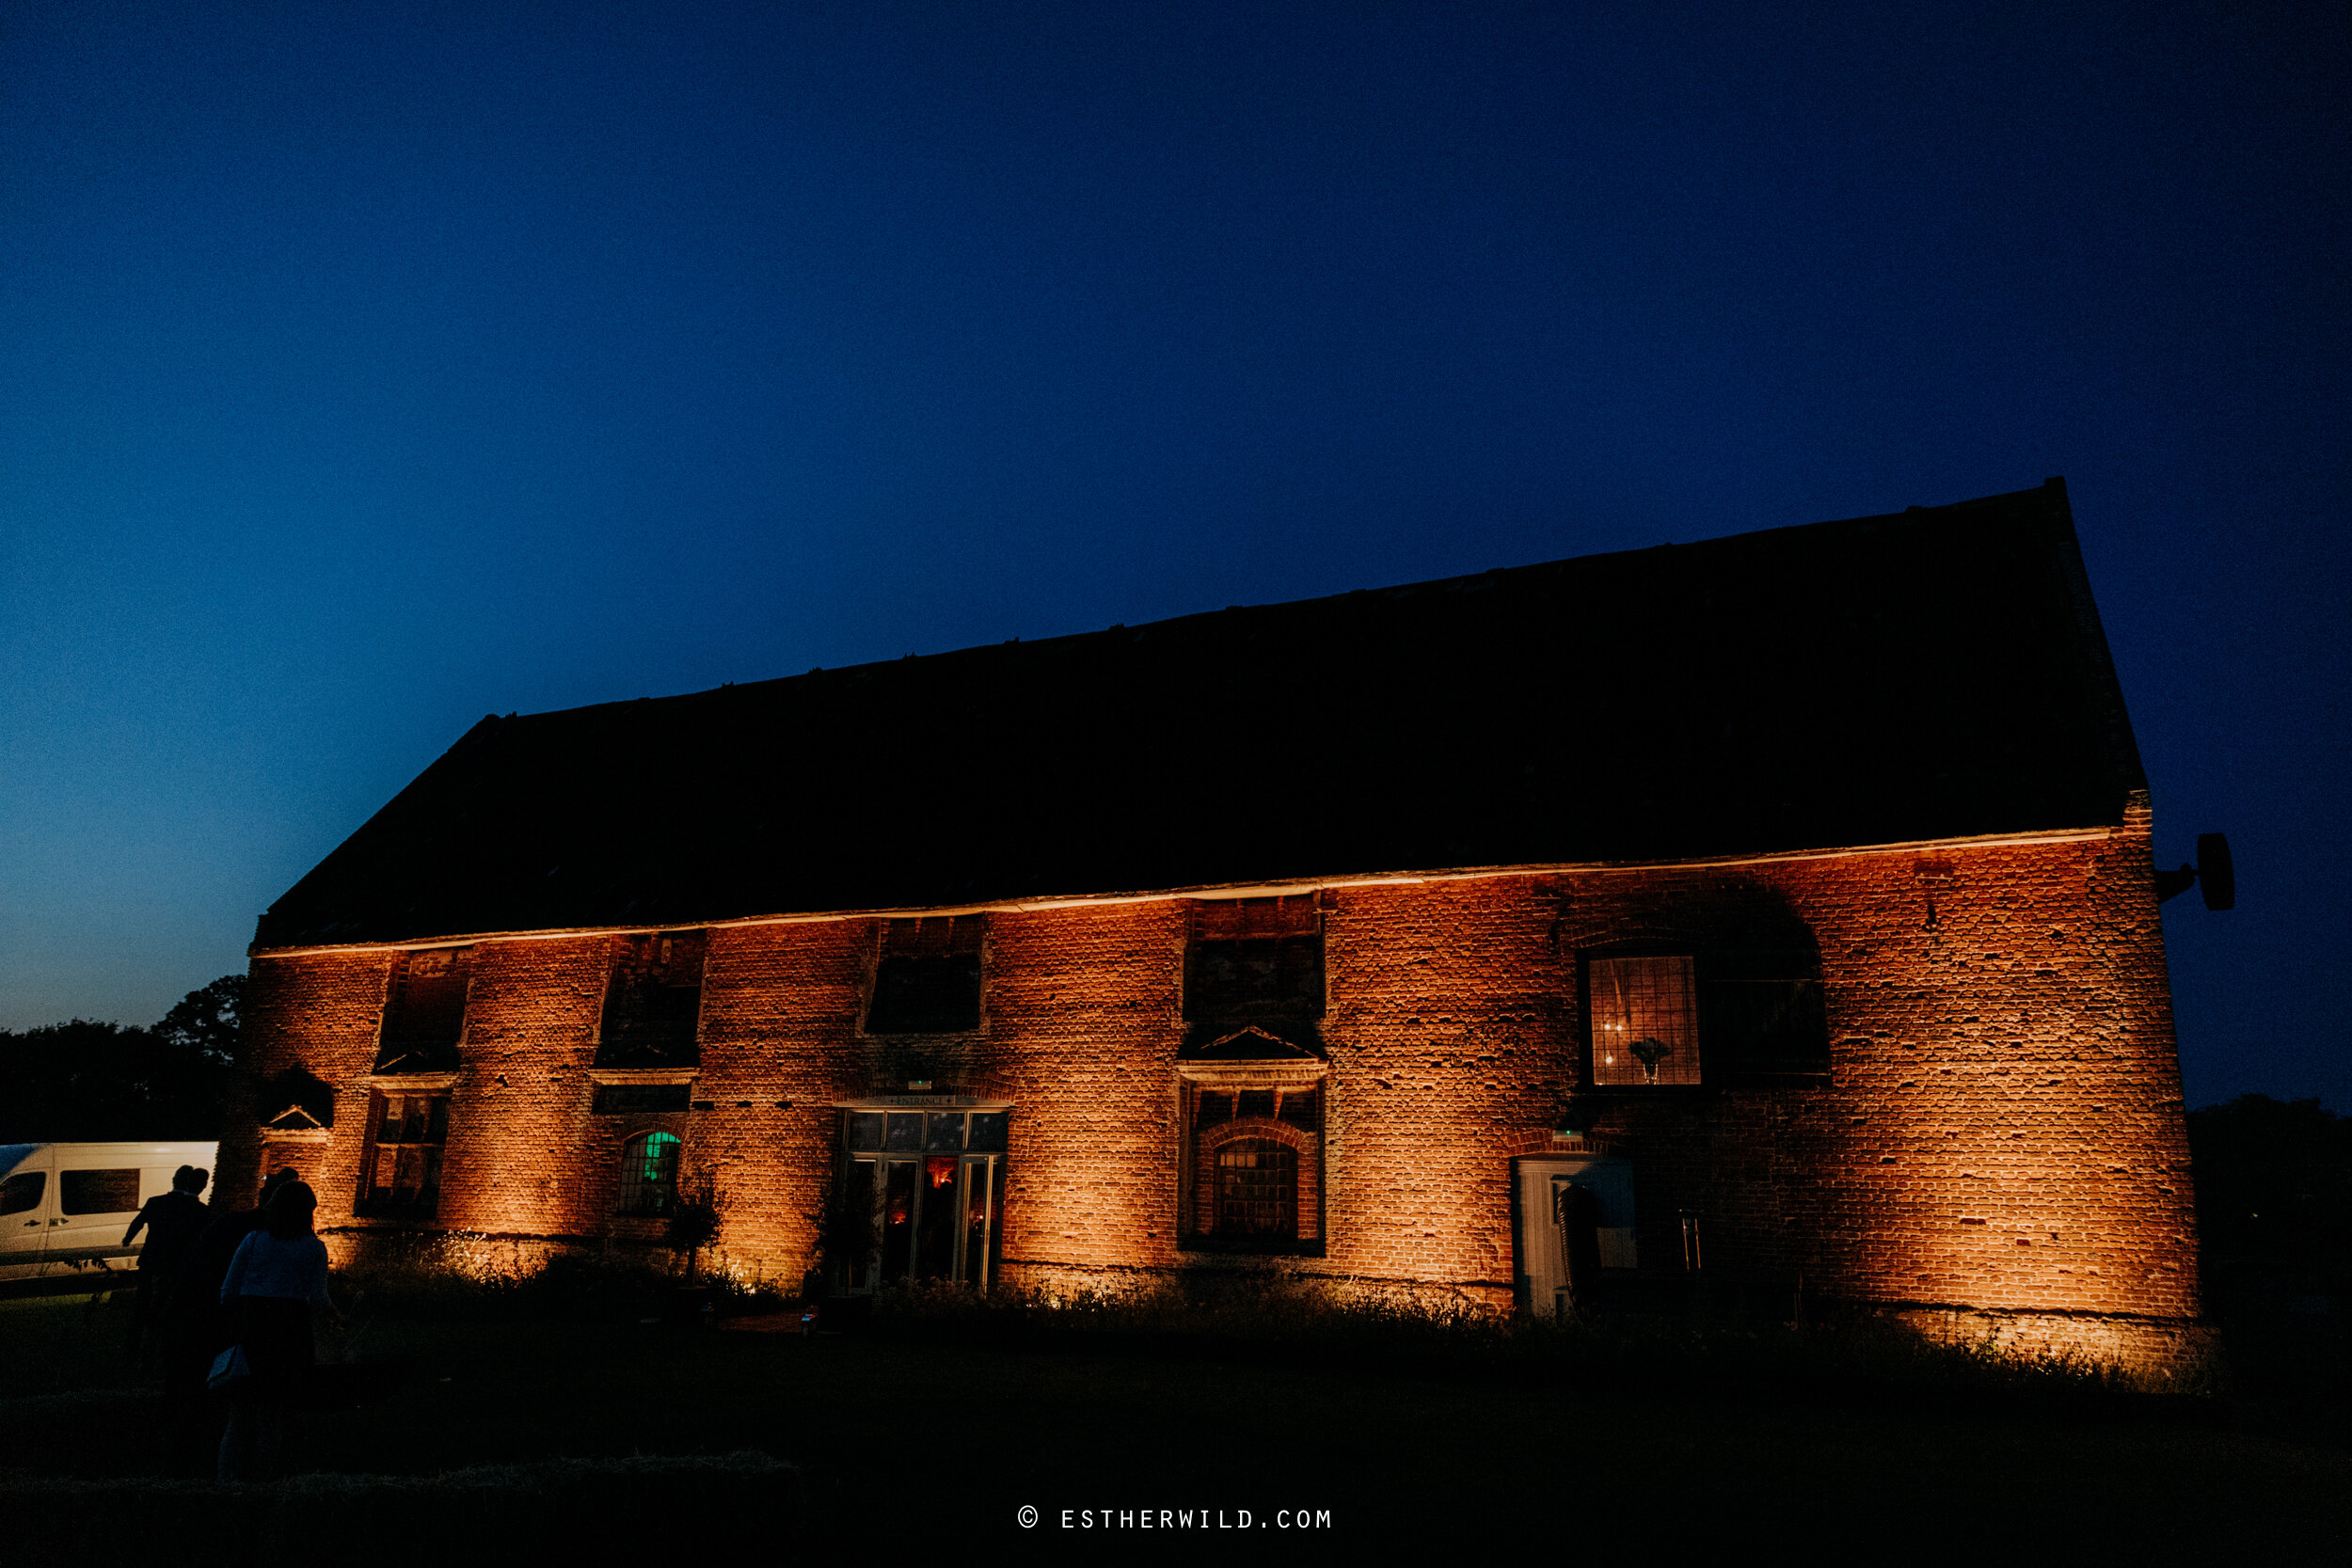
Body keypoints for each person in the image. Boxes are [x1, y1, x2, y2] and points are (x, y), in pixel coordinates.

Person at [216, 1180, 340, 1482]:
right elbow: (320, 1298)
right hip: (289, 1330)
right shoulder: (314, 1248)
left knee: (238, 1415)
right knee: (272, 1416)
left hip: (252, 1326)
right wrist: (336, 1317)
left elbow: (228, 1292)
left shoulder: (254, 1240)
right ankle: (262, 1481)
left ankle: (225, 1480)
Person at [166, 1167, 296, 1401]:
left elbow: (198, 1265)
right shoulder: (281, 1239)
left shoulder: (231, 1224)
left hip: (208, 1310)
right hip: (239, 1319)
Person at [122, 1165, 210, 1363]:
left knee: (142, 1303)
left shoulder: (156, 1202)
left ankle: (134, 1349)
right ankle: (154, 1351)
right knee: (165, 1306)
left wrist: (128, 1239)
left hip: (151, 1260)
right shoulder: (199, 1210)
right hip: (174, 1265)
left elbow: (138, 1222)